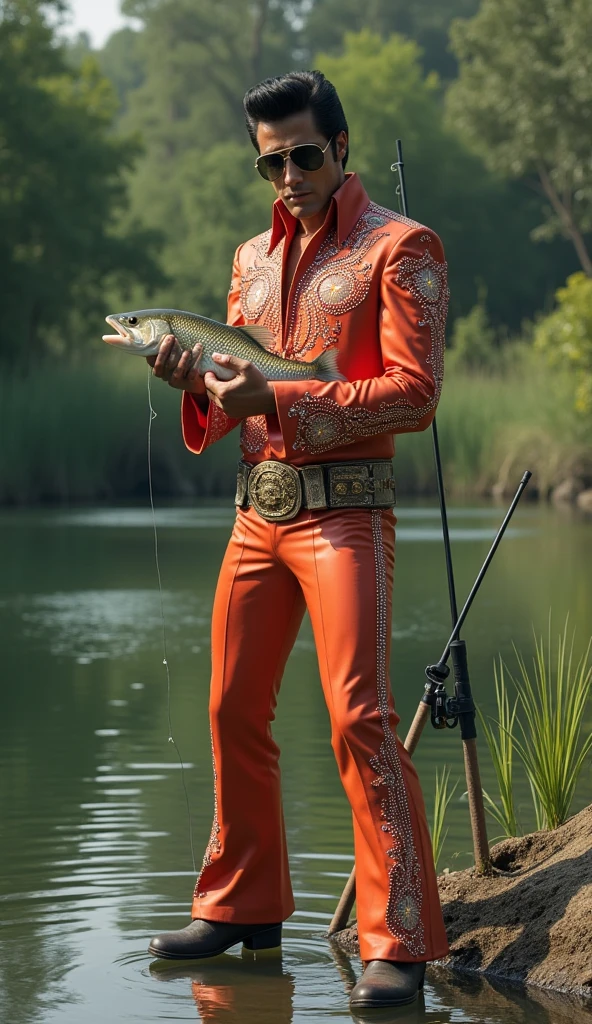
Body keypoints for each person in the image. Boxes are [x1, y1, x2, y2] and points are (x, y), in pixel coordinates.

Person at [147, 70, 450, 1010]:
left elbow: (415, 393)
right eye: (270, 160)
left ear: (342, 148)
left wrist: (278, 393)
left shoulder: (401, 247)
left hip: (348, 512)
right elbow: (232, 396)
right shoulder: (245, 260)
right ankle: (241, 906)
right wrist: (194, 384)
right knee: (233, 708)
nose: (288, 174)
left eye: (304, 155)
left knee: (359, 716)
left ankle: (398, 937)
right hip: (255, 515)